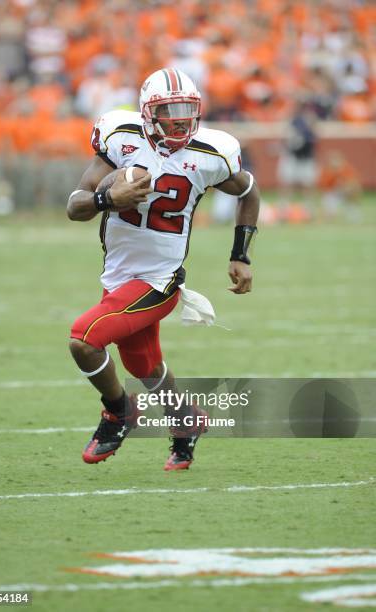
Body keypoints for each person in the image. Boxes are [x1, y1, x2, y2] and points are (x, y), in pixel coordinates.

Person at [67, 67, 260, 471]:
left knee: (84, 340)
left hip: (161, 278)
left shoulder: (211, 152)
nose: (178, 119)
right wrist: (109, 198)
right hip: (119, 274)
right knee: (143, 364)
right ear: (146, 112)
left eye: (185, 109)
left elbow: (247, 191)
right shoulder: (122, 137)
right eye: (168, 109)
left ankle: (119, 412)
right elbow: (75, 206)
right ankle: (185, 422)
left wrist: (241, 253)